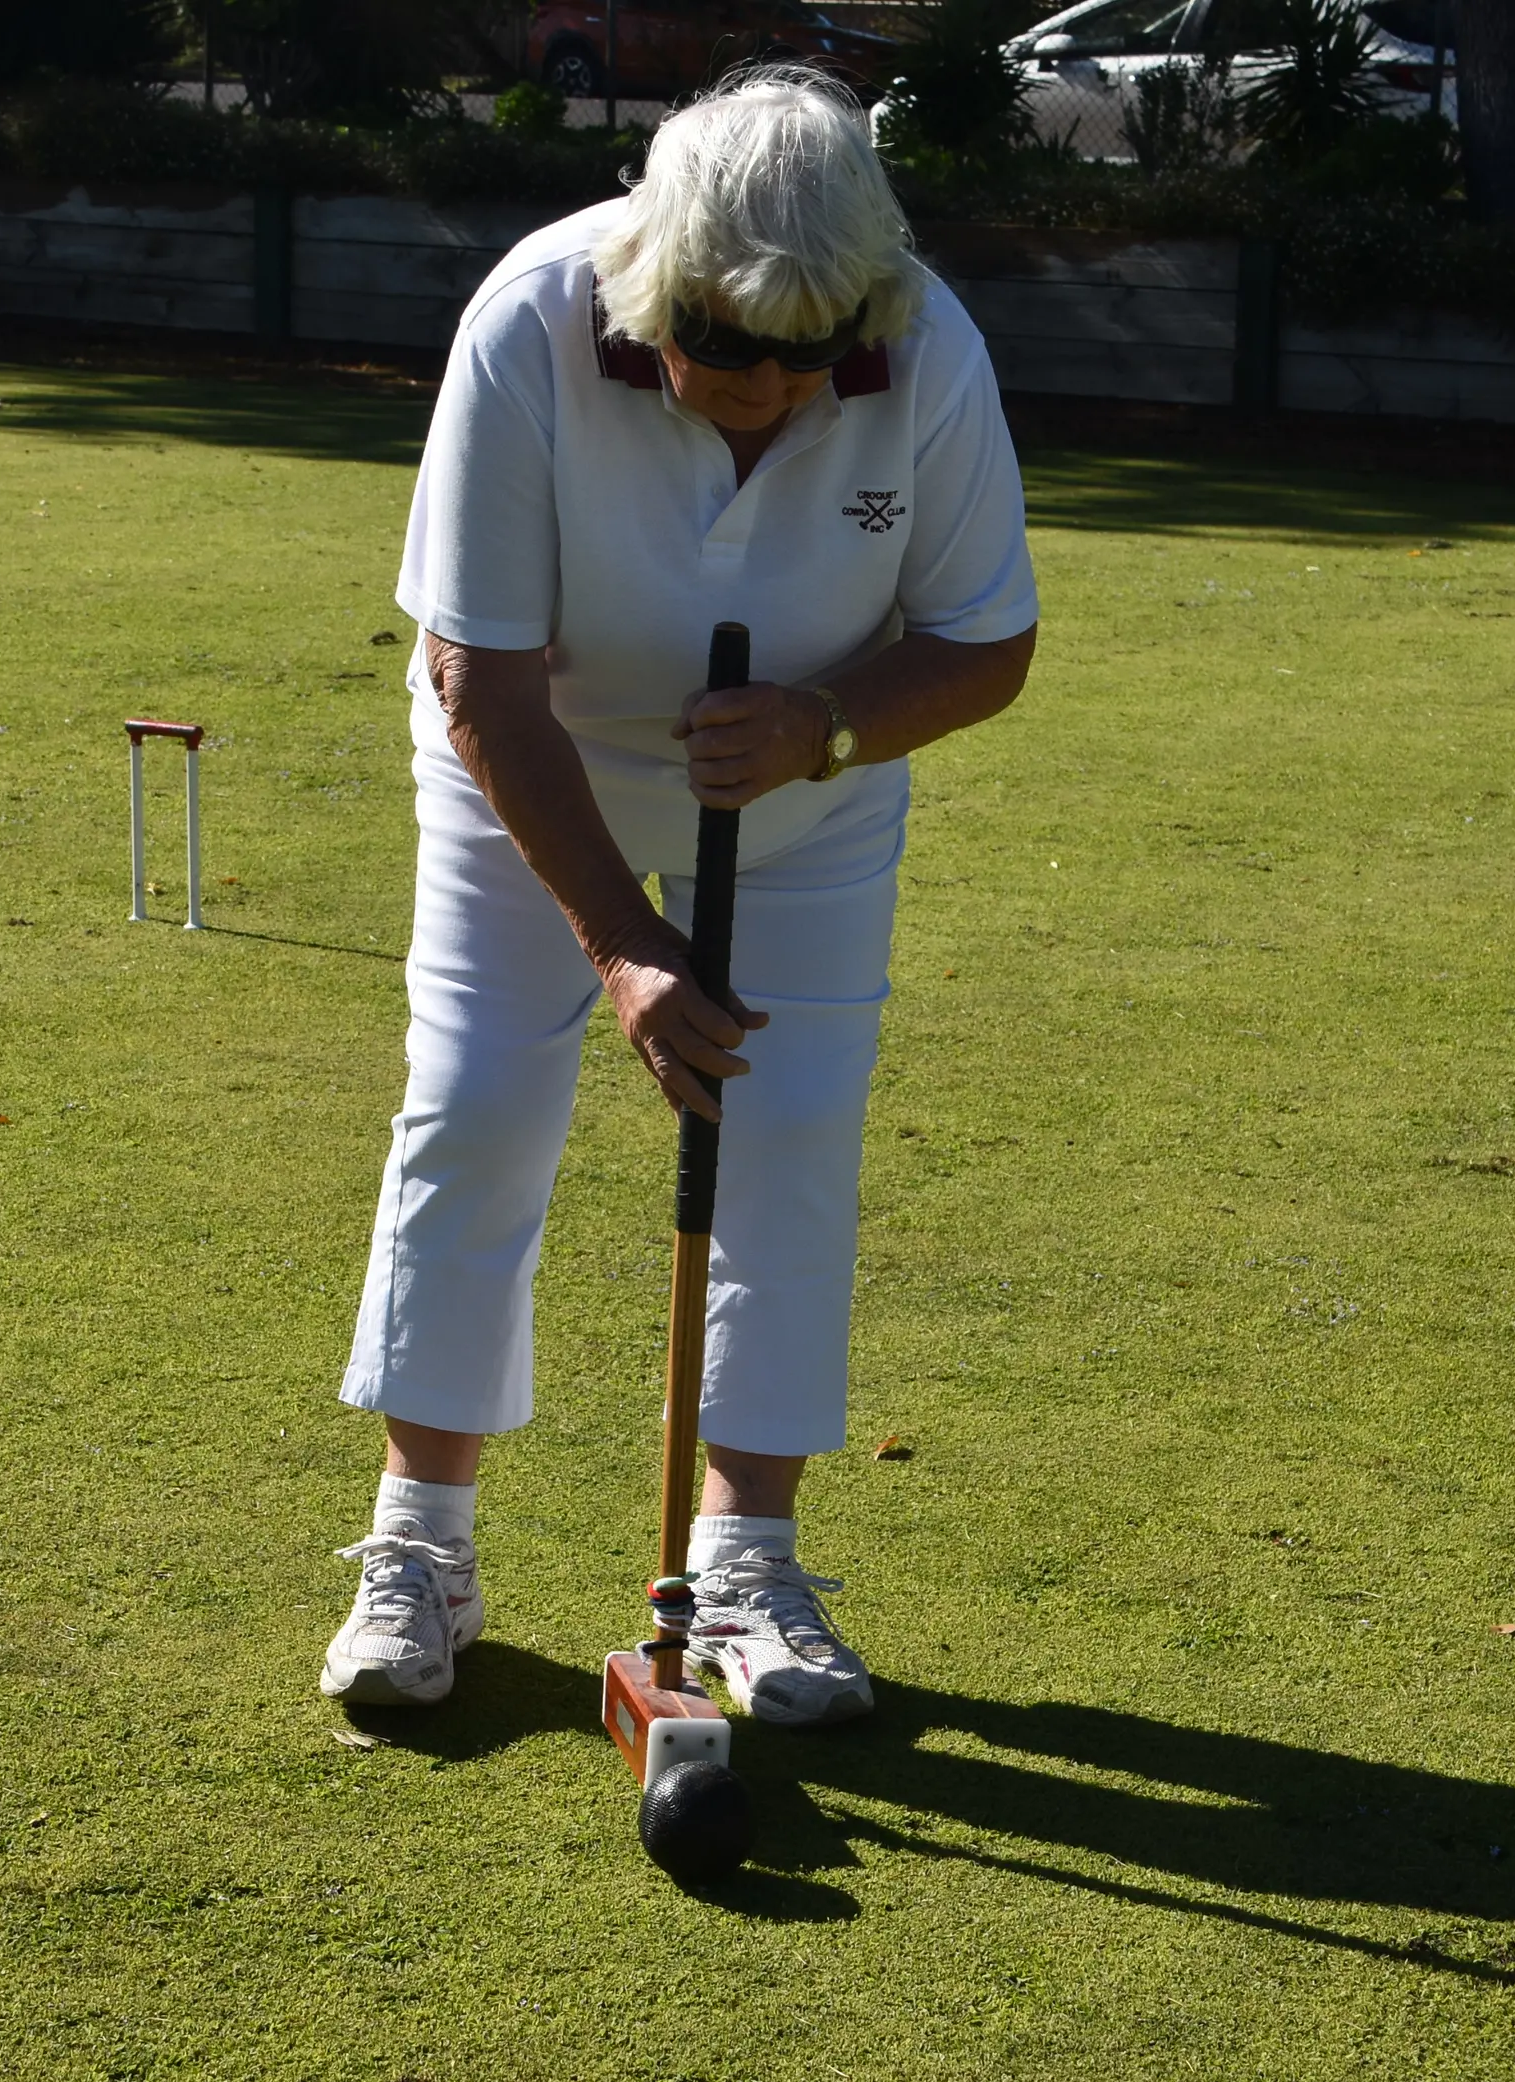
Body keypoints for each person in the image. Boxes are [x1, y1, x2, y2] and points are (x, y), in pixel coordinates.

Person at [321, 68, 1040, 1725]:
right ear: (655, 297)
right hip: (535, 772)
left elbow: (987, 642)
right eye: (730, 354)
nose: (775, 392)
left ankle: (746, 1565)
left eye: (817, 358)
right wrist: (629, 947)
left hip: (803, 794)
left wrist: (826, 725)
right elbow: (479, 680)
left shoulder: (924, 349)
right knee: (478, 1098)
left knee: (788, 1130)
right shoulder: (528, 326)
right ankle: (420, 1544)